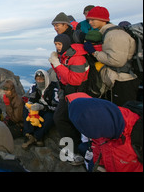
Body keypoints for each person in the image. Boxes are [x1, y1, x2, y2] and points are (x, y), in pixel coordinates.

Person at [68, 94, 143, 172]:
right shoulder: (100, 122)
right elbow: (97, 146)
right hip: (113, 164)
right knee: (83, 149)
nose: (98, 136)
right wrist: (99, 166)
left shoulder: (138, 132)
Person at [83, 6, 140, 106]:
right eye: (89, 20)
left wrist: (94, 52)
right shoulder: (108, 33)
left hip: (122, 82)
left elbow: (117, 61)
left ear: (102, 19)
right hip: (118, 80)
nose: (90, 22)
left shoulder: (114, 35)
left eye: (93, 19)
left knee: (123, 115)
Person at [49, 33, 89, 165]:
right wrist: (55, 63)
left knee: (60, 118)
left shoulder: (77, 58)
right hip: (68, 93)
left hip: (76, 94)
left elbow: (75, 80)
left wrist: (57, 64)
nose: (57, 47)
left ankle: (75, 151)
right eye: (56, 44)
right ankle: (74, 149)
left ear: (65, 44)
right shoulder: (66, 56)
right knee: (66, 119)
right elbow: (61, 75)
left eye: (59, 44)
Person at [22, 70, 59, 149]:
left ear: (46, 79)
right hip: (37, 109)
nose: (39, 81)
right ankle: (29, 134)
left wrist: (43, 107)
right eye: (37, 79)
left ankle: (38, 136)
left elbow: (56, 107)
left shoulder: (53, 89)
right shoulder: (34, 87)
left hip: (49, 110)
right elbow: (30, 100)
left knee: (50, 117)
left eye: (41, 79)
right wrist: (30, 107)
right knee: (25, 109)